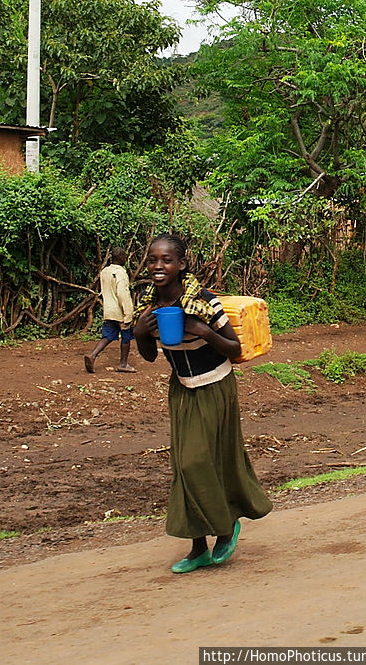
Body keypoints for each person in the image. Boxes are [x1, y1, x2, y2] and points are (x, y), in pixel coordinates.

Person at [132, 234, 272, 573]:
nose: (158, 266)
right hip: (182, 389)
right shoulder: (147, 307)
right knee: (183, 465)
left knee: (202, 461)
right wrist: (139, 332)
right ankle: (198, 548)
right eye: (152, 260)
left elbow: (235, 348)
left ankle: (226, 528)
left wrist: (203, 331)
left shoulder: (205, 302)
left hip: (215, 387)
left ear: (181, 265)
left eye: (166, 260)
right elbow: (150, 355)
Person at [85, 246, 136, 374]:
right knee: (126, 336)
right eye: (124, 257)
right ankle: (123, 364)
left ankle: (93, 355)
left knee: (107, 336)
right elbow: (122, 294)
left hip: (108, 309)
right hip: (120, 311)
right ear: (121, 258)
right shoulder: (120, 273)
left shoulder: (105, 272)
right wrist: (128, 313)